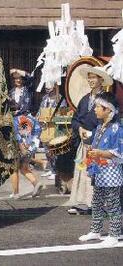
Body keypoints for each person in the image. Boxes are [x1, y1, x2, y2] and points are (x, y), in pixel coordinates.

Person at [78, 92, 123, 247]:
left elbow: (119, 152)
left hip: (111, 172)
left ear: (108, 110)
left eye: (98, 107)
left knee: (112, 203)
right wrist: (92, 150)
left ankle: (115, 234)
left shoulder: (117, 128)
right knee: (96, 201)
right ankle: (95, 230)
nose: (95, 109)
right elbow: (98, 148)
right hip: (99, 170)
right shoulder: (99, 127)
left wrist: (100, 153)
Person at [68, 66, 113, 215]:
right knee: (83, 173)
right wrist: (79, 128)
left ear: (101, 80)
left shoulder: (107, 99)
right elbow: (75, 119)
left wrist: (95, 134)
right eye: (89, 77)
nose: (91, 80)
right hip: (85, 143)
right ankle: (85, 202)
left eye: (94, 77)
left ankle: (103, 205)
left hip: (100, 143)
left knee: (98, 173)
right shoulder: (84, 99)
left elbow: (110, 120)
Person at [37, 83, 68, 181]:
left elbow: (63, 116)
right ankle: (51, 168)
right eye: (46, 85)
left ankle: (56, 171)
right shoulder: (44, 98)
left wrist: (50, 119)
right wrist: (38, 117)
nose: (47, 88)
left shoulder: (60, 99)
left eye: (49, 85)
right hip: (45, 128)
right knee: (47, 150)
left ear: (55, 86)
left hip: (56, 128)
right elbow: (39, 111)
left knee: (54, 151)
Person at [10, 111, 43, 199]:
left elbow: (20, 135)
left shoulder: (17, 119)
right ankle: (36, 183)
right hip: (32, 146)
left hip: (22, 147)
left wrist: (23, 146)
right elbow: (38, 131)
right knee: (23, 168)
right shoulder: (32, 119)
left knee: (14, 169)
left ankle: (16, 193)